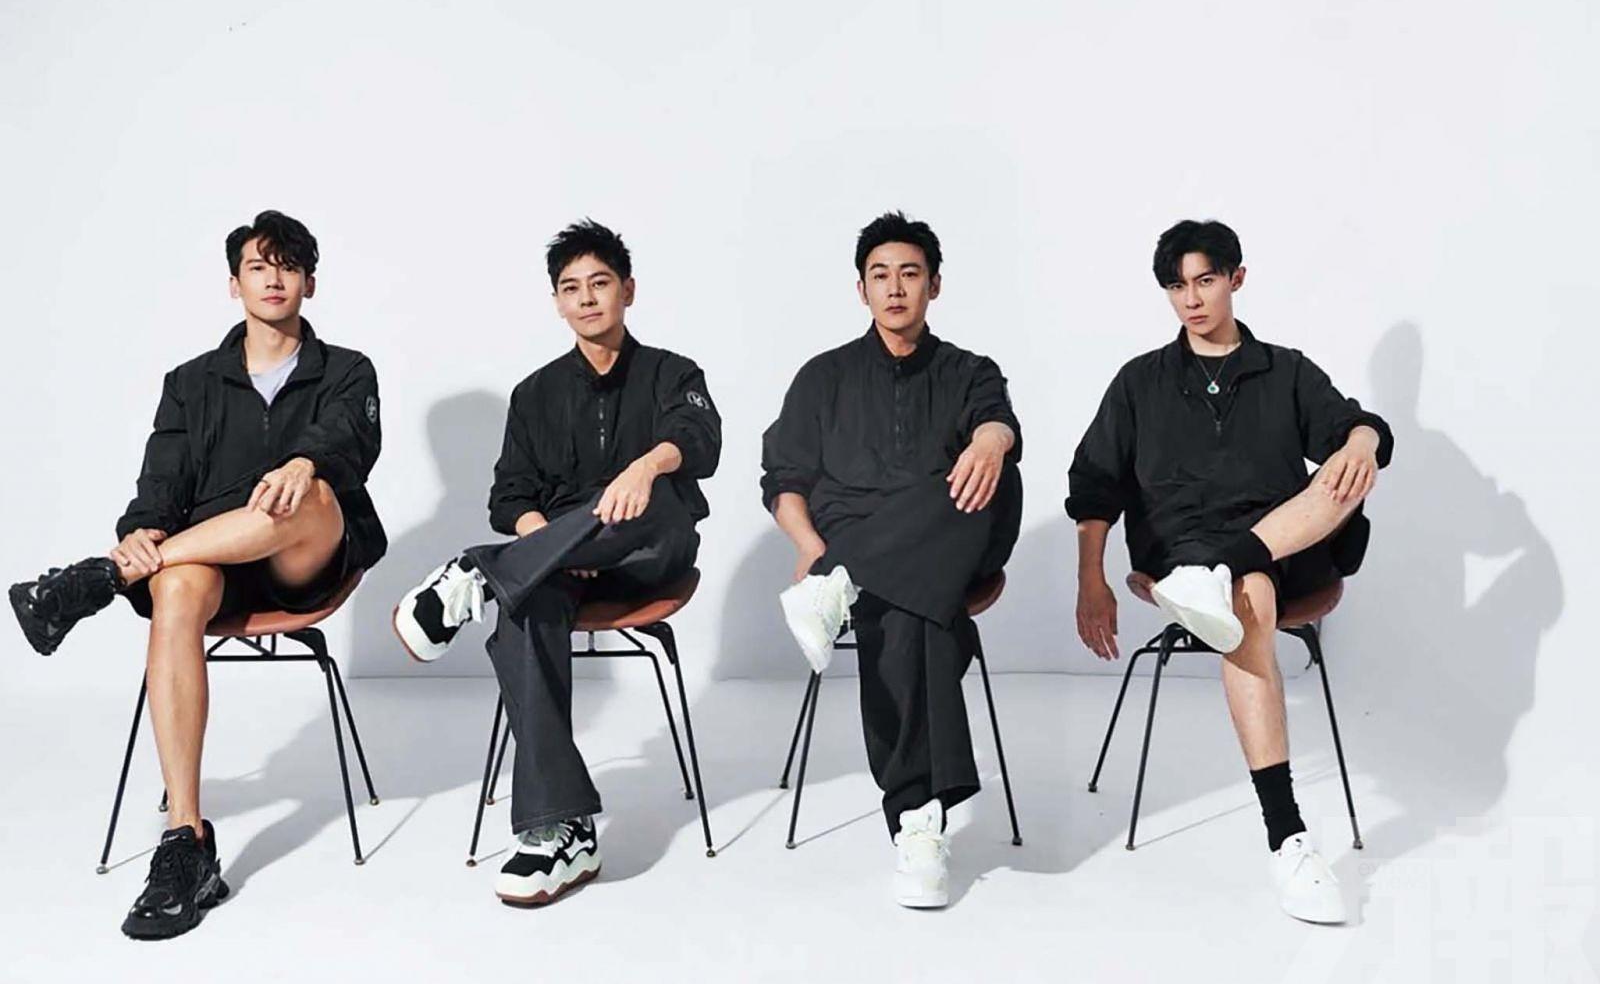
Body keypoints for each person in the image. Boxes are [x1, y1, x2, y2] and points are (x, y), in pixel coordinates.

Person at [9, 210, 386, 940]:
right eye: (258, 267)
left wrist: (304, 460)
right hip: (213, 563)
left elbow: (349, 443)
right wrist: (143, 532)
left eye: (288, 266)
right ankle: (186, 840)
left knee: (302, 491)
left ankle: (100, 579)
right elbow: (162, 478)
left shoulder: (348, 370)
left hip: (305, 560)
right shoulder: (189, 382)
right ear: (234, 283)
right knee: (177, 586)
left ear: (309, 282)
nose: (273, 279)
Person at [1066, 219, 1393, 924]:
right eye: (1177, 287)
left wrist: (1363, 439)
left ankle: (1223, 569)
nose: (1191, 299)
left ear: (1236, 278)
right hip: (1177, 548)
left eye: (1205, 281)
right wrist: (1092, 579)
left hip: (1279, 543)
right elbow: (1094, 486)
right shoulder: (1140, 382)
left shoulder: (1285, 370)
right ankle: (1288, 837)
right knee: (1250, 603)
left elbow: (1357, 428)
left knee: (1345, 475)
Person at [392, 219, 720, 907]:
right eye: (572, 288)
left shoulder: (672, 372)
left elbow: (700, 440)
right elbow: (510, 495)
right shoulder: (535, 394)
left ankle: (481, 571)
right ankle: (558, 828)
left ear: (628, 290)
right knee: (523, 608)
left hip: (651, 553)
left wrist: (644, 468)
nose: (587, 298)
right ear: (556, 303)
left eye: (600, 283)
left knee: (656, 496)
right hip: (562, 567)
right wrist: (553, 546)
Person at [761, 211, 1022, 909]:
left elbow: (998, 420)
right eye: (881, 275)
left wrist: (991, 440)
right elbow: (783, 480)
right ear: (862, 290)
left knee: (989, 479)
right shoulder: (823, 377)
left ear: (934, 285)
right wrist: (812, 548)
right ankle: (920, 819)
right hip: (870, 548)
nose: (896, 288)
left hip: (953, 533)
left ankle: (840, 582)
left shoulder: (969, 370)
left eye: (910, 273)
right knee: (917, 612)